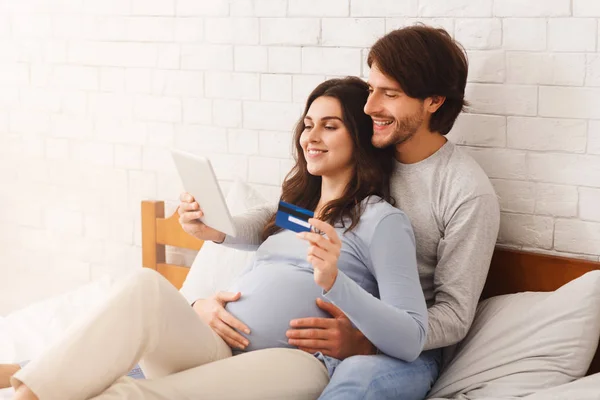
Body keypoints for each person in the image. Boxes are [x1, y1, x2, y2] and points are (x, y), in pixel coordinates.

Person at [3, 77, 428, 400]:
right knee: (146, 286)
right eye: (308, 125)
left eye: (329, 126)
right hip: (215, 345)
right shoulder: (296, 211)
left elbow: (410, 338)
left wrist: (336, 281)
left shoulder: (381, 220)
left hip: (294, 363)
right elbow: (247, 231)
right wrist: (200, 300)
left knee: (132, 392)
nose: (310, 137)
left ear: (360, 134)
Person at [186, 25, 501, 400]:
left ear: (433, 101)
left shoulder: (465, 192)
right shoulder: (366, 148)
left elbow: (453, 313)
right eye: (371, 90)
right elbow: (290, 216)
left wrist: (366, 336)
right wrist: (219, 229)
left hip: (401, 344)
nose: (370, 107)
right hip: (332, 321)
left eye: (390, 94)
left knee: (358, 380)